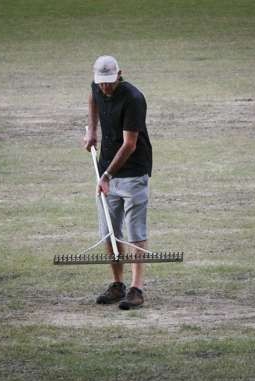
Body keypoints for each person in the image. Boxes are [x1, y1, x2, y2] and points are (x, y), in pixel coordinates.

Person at [83, 55, 153, 310]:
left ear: (119, 74)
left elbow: (130, 145)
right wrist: (92, 130)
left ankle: (136, 289)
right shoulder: (96, 87)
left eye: (109, 83)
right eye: (101, 83)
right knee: (109, 233)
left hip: (133, 172)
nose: (105, 88)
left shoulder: (133, 99)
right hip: (107, 173)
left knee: (135, 233)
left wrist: (106, 176)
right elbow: (93, 98)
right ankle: (117, 285)